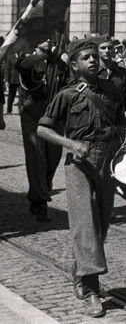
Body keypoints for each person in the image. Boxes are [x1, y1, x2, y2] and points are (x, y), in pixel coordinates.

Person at [36, 38, 126, 318]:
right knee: (85, 224)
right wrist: (71, 144)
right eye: (86, 57)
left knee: (101, 225)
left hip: (108, 160)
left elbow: (120, 119)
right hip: (79, 162)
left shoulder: (112, 89)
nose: (92, 60)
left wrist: (124, 138)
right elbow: (43, 130)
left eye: (94, 56)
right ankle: (91, 290)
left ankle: (80, 271)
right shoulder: (66, 95)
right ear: (74, 65)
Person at [16, 39, 68, 221]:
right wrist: (43, 54)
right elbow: (23, 65)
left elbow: (68, 77)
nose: (47, 40)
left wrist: (59, 57)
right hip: (33, 113)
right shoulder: (28, 58)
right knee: (37, 156)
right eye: (44, 38)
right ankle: (40, 200)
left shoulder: (58, 61)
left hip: (54, 114)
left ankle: (40, 191)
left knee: (53, 156)